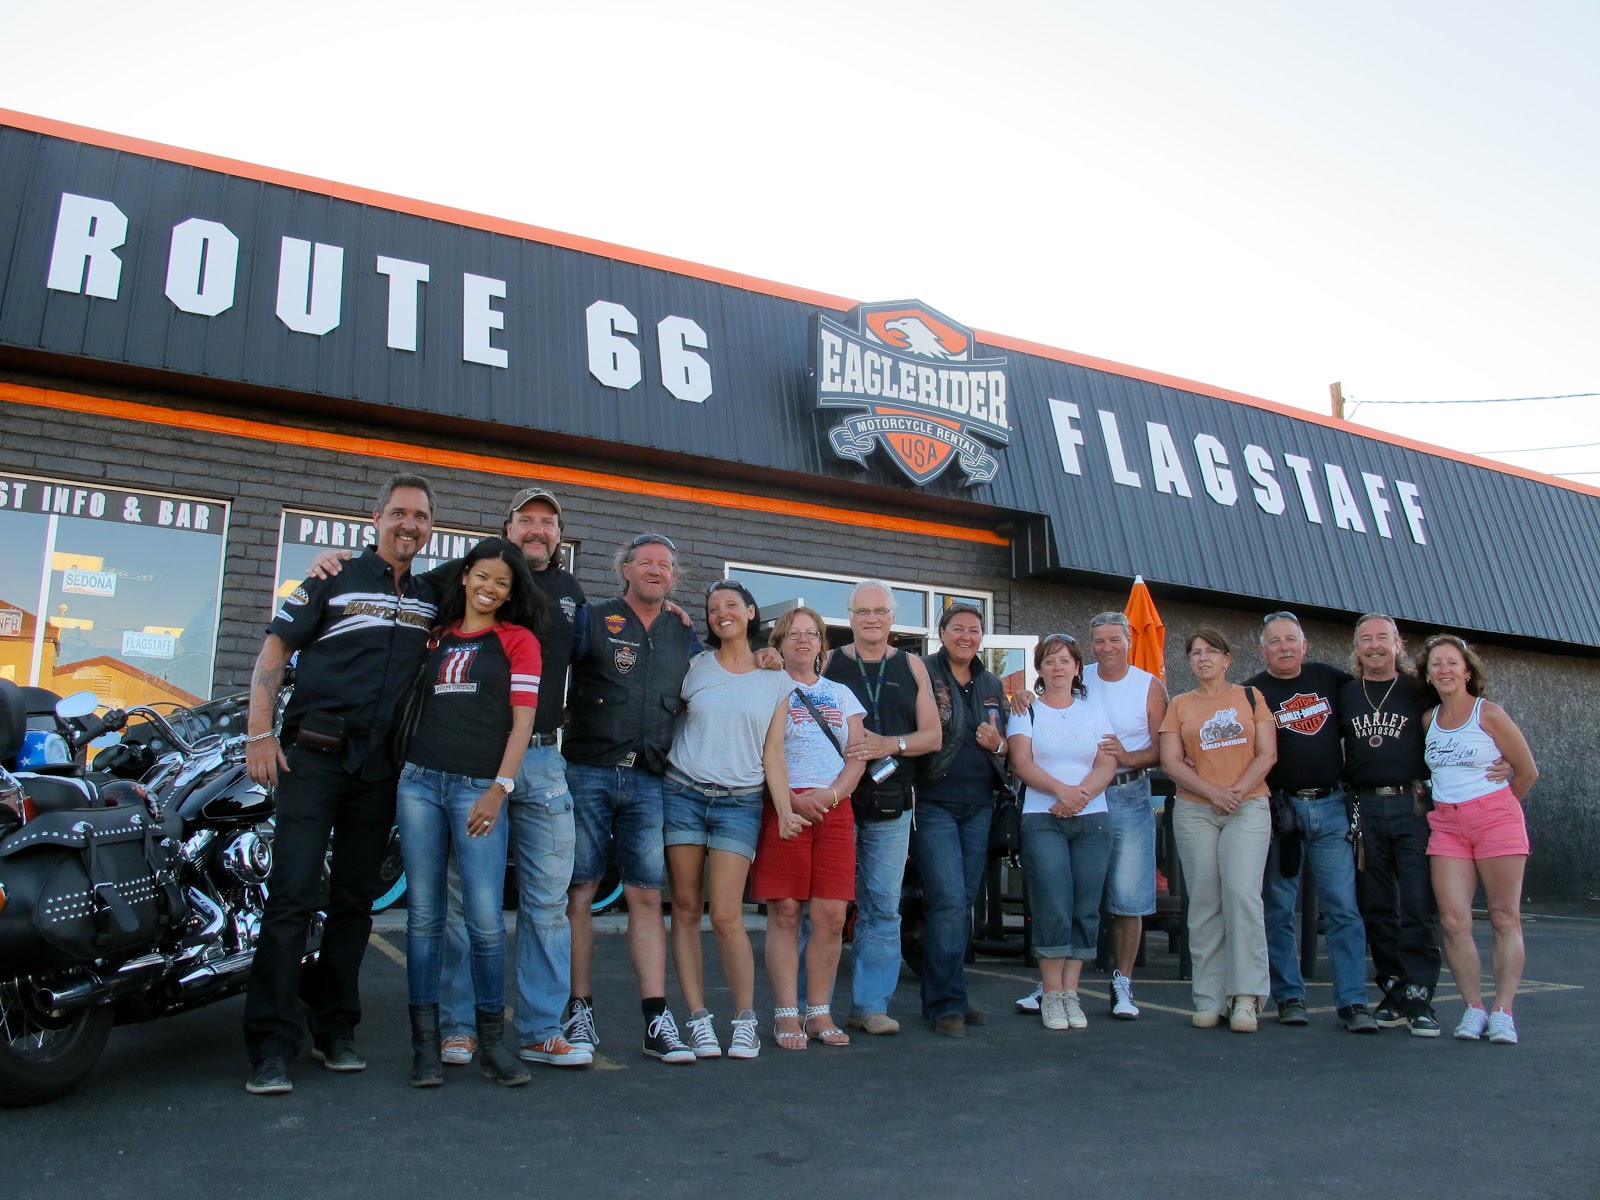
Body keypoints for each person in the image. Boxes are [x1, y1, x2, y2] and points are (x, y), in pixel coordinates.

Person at [302, 485, 596, 1069]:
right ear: (506, 530)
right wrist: (333, 566)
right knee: (465, 905)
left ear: (559, 536)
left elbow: (598, 663)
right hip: (465, 766)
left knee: (545, 903)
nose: (538, 530)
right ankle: (459, 1027)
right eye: (526, 520)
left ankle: (540, 1029)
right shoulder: (455, 579)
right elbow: (395, 576)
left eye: (548, 522)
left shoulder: (572, 594)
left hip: (540, 760)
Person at [241, 474, 441, 1096]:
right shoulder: (333, 575)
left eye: (422, 516)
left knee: (355, 903)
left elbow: (506, 577)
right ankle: (272, 1045)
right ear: (375, 516)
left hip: (378, 769)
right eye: (400, 512)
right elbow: (275, 648)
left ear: (431, 528)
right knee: (292, 896)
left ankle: (334, 1029)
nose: (410, 524)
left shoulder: (436, 595)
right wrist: (259, 733)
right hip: (313, 758)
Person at [395, 537, 541, 1087]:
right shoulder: (434, 637)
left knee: (484, 920)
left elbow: (522, 723)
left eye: (501, 582)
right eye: (481, 576)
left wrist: (499, 788)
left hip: (478, 789)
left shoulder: (518, 641)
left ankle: (492, 1045)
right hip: (418, 785)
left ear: (510, 593)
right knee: (424, 919)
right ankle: (426, 1047)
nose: (489, 587)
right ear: (464, 577)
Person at [562, 533, 700, 1063]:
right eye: (646, 562)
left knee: (646, 896)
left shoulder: (682, 632)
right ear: (625, 569)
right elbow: (554, 669)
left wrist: (760, 656)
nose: (656, 570)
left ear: (674, 576)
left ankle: (656, 1020)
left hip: (648, 779)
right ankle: (578, 1010)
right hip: (588, 771)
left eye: (666, 564)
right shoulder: (592, 618)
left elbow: (717, 675)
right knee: (580, 891)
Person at [662, 580, 797, 1060]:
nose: (722, 613)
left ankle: (744, 1019)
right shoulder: (694, 667)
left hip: (739, 801)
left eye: (731, 605)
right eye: (713, 607)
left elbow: (774, 753)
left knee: (725, 913)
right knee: (684, 907)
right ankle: (697, 1018)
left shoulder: (777, 679)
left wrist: (783, 810)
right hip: (683, 792)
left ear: (751, 612)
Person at [1013, 611, 1167, 1020]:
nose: (1106, 647)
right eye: (1099, 640)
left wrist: (1087, 789)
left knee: (1122, 898)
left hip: (1121, 794)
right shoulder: (1073, 685)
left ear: (1128, 640)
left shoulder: (1146, 686)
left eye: (1114, 639)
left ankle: (1117, 982)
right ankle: (1053, 988)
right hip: (1061, 804)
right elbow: (1025, 750)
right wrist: (1024, 695)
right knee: (1058, 899)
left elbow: (1154, 746)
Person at [821, 580, 941, 1035]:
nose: (871, 618)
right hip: (836, 798)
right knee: (828, 906)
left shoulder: (912, 666)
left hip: (893, 802)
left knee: (883, 907)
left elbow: (933, 736)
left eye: (880, 611)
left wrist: (890, 744)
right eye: (862, 611)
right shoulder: (829, 662)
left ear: (893, 618)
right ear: (849, 617)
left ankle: (871, 1005)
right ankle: (815, 1006)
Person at [1246, 612, 1376, 1032]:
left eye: (1290, 639)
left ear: (1304, 645)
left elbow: (1374, 704)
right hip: (1281, 814)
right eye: (1274, 641)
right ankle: (1289, 996)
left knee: (1343, 909)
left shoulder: (1329, 679)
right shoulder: (1252, 692)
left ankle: (1354, 1002)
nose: (1283, 647)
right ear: (1262, 648)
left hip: (1332, 807)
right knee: (1279, 908)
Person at [750, 606, 866, 1049]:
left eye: (811, 634)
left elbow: (858, 754)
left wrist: (832, 796)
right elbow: (759, 749)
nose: (802, 640)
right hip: (786, 805)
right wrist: (789, 800)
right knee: (785, 912)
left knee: (831, 915)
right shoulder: (768, 689)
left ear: (822, 644)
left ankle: (818, 1012)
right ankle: (785, 1013)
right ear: (777, 643)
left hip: (835, 806)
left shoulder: (842, 694)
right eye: (792, 633)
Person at [1419, 634, 1538, 1044]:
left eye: (1452, 662)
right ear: (1428, 674)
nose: (1445, 670)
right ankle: (1473, 1008)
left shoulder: (1489, 714)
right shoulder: (1427, 720)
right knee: (1454, 921)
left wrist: (1498, 809)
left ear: (1467, 670)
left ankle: (1504, 1011)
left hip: (1495, 820)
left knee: (1504, 917)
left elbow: (1526, 771)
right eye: (1436, 664)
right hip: (1447, 826)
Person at [1159, 627, 1276, 1032]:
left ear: (1228, 659)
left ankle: (1245, 996)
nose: (1203, 657)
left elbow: (1268, 753)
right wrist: (1212, 792)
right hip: (1195, 810)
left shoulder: (1250, 697)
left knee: (1242, 896)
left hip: (1248, 807)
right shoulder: (1179, 705)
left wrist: (1236, 792)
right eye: (1195, 652)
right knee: (1205, 902)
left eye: (1211, 651)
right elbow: (1171, 762)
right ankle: (1209, 997)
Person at [1008, 634, 1119, 1031]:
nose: (1058, 667)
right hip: (1043, 818)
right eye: (1050, 661)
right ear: (1040, 669)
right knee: (1053, 903)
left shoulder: (1095, 712)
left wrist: (1081, 796)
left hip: (1094, 820)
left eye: (1065, 661)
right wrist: (1062, 793)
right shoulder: (1026, 711)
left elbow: (1108, 762)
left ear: (1077, 668)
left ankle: (1072, 992)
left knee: (1085, 907)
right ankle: (1052, 994)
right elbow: (1021, 761)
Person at [1339, 613, 1441, 1036]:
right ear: (1357, 647)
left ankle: (1419, 995)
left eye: (1383, 637)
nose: (1375, 645)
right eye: (1367, 639)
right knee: (1376, 904)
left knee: (1417, 901)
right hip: (1363, 805)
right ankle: (1393, 988)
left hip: (1411, 802)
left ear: (1398, 644)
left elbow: (1461, 720)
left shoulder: (1420, 691)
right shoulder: (1344, 693)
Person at [914, 604, 1010, 1036]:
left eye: (974, 630)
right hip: (935, 801)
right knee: (949, 900)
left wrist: (1000, 744)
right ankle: (946, 1004)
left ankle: (951, 994)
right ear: (941, 633)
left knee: (963, 902)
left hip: (980, 805)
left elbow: (1004, 743)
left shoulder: (991, 683)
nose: (966, 636)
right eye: (958, 629)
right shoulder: (922, 672)